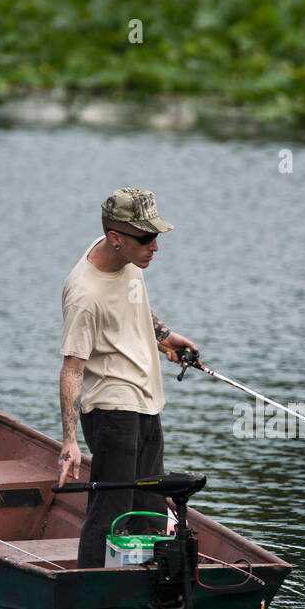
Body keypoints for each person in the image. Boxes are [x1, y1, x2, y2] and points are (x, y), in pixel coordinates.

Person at [57, 188, 198, 569]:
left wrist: (164, 336)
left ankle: (146, 580)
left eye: (157, 236)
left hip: (145, 402)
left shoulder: (129, 258)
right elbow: (72, 368)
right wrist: (69, 440)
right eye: (147, 238)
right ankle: (90, 585)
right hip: (111, 409)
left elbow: (132, 308)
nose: (155, 247)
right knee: (111, 509)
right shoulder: (84, 295)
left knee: (150, 506)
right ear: (115, 238)